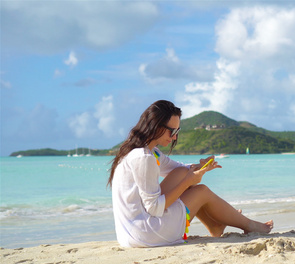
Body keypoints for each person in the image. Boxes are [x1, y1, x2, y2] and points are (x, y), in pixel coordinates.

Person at [108, 100, 273, 247]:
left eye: (177, 132)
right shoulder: (144, 158)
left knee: (181, 172)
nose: (174, 137)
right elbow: (155, 208)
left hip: (131, 234)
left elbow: (177, 169)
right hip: (146, 234)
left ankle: (215, 226)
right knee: (201, 191)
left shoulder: (144, 151)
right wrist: (188, 182)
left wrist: (200, 167)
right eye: (171, 132)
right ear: (156, 127)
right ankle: (250, 225)